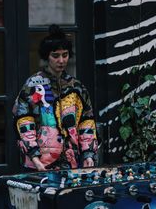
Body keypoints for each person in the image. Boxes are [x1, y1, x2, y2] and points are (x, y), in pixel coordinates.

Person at [12, 24, 98, 171]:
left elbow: (86, 122)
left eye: (65, 55)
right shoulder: (33, 85)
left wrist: (88, 154)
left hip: (72, 161)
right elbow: (24, 122)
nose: (61, 60)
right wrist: (35, 158)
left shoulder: (76, 87)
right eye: (55, 56)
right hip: (40, 163)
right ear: (47, 56)